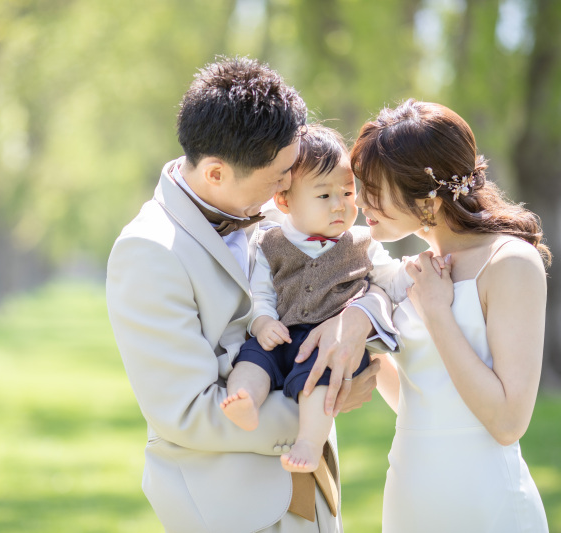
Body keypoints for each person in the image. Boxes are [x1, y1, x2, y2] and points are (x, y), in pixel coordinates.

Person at [106, 56, 398, 533]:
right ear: (217, 174)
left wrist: (360, 316)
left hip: (314, 493)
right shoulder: (148, 251)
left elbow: (363, 272)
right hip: (231, 507)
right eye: (277, 177)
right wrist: (326, 402)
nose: (287, 187)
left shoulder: (275, 211)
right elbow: (188, 412)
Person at [351, 99, 550, 533]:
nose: (360, 201)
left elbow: (507, 422)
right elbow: (419, 400)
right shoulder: (417, 272)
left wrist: (438, 313)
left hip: (485, 504)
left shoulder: (508, 263)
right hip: (410, 493)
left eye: (374, 189)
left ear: (427, 200)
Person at [220, 125, 411, 475]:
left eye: (348, 193)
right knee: (253, 358)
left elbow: (393, 281)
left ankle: (308, 442)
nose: (339, 205)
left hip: (331, 345)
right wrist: (262, 322)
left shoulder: (364, 243)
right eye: (324, 196)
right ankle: (245, 398)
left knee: (318, 381)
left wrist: (419, 273)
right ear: (284, 200)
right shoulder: (270, 242)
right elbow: (260, 292)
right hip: (281, 334)